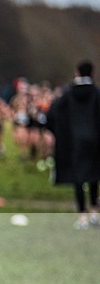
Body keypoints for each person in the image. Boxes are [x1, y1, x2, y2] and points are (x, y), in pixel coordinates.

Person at [47, 60, 100, 230]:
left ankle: (82, 216)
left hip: (74, 142)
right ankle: (94, 212)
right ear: (92, 73)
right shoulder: (97, 93)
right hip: (95, 141)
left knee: (78, 177)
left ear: (77, 72)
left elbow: (53, 113)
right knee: (94, 175)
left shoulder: (68, 94)